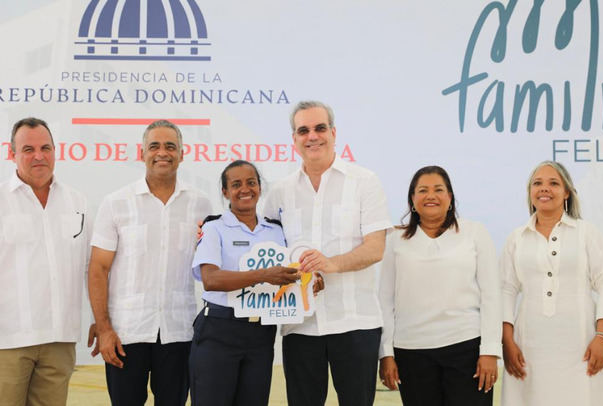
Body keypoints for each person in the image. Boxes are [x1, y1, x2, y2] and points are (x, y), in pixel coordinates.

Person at [263, 100, 392, 406]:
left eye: (320, 128)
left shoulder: (365, 182)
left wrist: (330, 264)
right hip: (300, 326)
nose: (312, 136)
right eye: (303, 130)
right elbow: (266, 251)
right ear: (294, 139)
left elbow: (375, 249)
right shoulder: (279, 192)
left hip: (355, 323)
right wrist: (210, 229)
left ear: (333, 133)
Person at [88, 120, 212, 406]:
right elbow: (98, 269)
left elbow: (210, 266)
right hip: (125, 333)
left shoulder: (201, 205)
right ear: (141, 153)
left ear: (182, 153)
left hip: (178, 331)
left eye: (170, 146)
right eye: (154, 146)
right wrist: (104, 329)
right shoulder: (116, 202)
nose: (162, 153)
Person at [190, 160, 324, 406]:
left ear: (260, 188)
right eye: (236, 184)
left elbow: (290, 271)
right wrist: (263, 275)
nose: (245, 189)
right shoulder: (214, 227)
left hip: (261, 334)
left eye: (251, 183)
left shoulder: (276, 230)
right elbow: (210, 279)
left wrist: (310, 282)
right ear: (225, 192)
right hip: (219, 329)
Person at [378, 165, 502, 406]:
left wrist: (489, 350)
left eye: (438, 189)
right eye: (422, 190)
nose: (431, 196)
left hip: (466, 347)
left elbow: (491, 295)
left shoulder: (474, 232)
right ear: (412, 200)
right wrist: (386, 354)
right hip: (411, 351)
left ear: (450, 197)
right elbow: (385, 300)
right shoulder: (395, 239)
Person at [501, 161, 603, 405]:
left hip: (582, 347)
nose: (544, 188)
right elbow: (505, 290)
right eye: (537, 183)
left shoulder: (586, 233)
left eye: (553, 183)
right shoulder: (516, 238)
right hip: (529, 349)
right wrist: (507, 342)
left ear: (566, 192)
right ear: (530, 192)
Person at [0, 118, 89, 406]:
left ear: (54, 151)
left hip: (60, 339)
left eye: (45, 148)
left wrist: (101, 321)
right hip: (7, 341)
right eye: (28, 149)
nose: (39, 155)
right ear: (12, 154)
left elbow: (90, 267)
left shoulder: (77, 201)